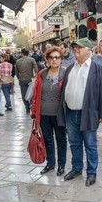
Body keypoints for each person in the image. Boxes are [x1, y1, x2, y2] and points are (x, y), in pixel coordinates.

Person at [58, 38, 102, 187]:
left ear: (89, 50)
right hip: (70, 112)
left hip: (88, 113)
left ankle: (92, 172)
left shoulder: (99, 70)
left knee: (90, 144)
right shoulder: (69, 68)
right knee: (74, 143)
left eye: (79, 48)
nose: (76, 50)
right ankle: (76, 168)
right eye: (74, 48)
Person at [31, 46, 67, 176]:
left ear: (61, 59)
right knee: (47, 139)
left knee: (61, 139)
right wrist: (34, 111)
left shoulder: (65, 73)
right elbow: (36, 94)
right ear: (47, 60)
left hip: (59, 115)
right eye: (51, 57)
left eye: (57, 57)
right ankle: (50, 163)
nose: (54, 60)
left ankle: (61, 164)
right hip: (43, 114)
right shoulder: (42, 74)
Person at [16, 48, 38, 113]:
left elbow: (17, 72)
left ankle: (27, 106)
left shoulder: (18, 61)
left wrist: (19, 78)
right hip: (30, 79)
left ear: (22, 53)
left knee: (24, 94)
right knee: (31, 93)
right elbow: (36, 69)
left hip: (22, 79)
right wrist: (35, 76)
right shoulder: (32, 59)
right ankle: (31, 104)